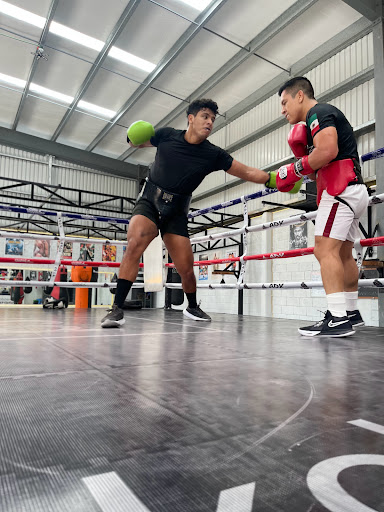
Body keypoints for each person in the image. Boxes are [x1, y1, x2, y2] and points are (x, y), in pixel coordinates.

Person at [101, 98, 272, 327]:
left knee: (185, 268)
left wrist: (275, 179)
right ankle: (117, 309)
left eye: (212, 118)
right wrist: (132, 137)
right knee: (136, 241)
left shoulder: (213, 154)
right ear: (190, 118)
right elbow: (137, 143)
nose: (209, 121)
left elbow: (247, 171)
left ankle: (191, 306)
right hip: (150, 200)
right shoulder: (167, 135)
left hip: (177, 211)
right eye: (204, 116)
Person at [276, 76, 369, 337]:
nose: (283, 110)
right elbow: (321, 159)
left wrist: (293, 169)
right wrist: (303, 164)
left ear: (300, 96)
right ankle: (350, 312)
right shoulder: (319, 118)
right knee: (342, 254)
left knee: (323, 250)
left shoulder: (319, 112)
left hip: (340, 190)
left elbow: (327, 151)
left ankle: (337, 318)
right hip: (353, 189)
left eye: (284, 102)